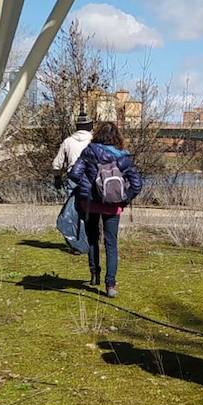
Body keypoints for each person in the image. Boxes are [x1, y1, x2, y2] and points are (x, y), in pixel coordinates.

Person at [68, 121, 144, 298]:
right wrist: (124, 199)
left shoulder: (89, 151)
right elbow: (137, 184)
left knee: (93, 239)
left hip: (90, 204)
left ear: (98, 134)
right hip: (113, 205)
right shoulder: (123, 157)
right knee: (111, 244)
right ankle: (110, 284)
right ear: (117, 137)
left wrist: (86, 188)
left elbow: (74, 174)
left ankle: (94, 275)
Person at [52, 110, 94, 191]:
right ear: (90, 126)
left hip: (73, 177)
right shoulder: (94, 141)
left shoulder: (68, 141)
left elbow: (56, 164)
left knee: (72, 203)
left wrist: (57, 178)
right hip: (90, 178)